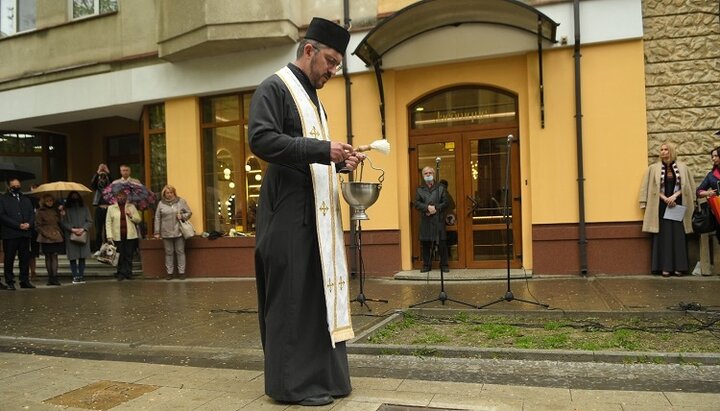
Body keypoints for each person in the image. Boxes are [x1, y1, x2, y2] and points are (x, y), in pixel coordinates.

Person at [248, 17, 363, 406]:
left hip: (317, 218)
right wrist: (321, 150)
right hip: (288, 216)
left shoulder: (314, 99)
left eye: (337, 65)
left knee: (316, 297)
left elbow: (313, 155)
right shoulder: (274, 87)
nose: (333, 71)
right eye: (330, 61)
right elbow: (261, 139)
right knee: (292, 300)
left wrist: (341, 161)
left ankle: (325, 379)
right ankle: (291, 386)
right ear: (309, 50)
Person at [639, 142, 694, 277]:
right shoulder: (653, 168)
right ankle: (664, 267)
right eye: (661, 150)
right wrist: (664, 198)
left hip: (677, 205)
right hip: (661, 207)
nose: (663, 152)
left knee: (678, 235)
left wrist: (674, 196)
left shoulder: (683, 167)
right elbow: (649, 187)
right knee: (663, 236)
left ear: (672, 151)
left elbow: (688, 187)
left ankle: (679, 267)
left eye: (666, 149)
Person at [0, 178, 36, 290]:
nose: (16, 187)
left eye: (18, 185)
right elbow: (2, 216)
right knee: (9, 258)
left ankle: (24, 280)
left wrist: (29, 224)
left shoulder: (26, 199)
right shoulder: (3, 199)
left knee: (24, 258)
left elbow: (32, 213)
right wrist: (17, 225)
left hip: (25, 233)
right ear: (9, 187)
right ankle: (9, 281)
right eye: (14, 186)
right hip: (10, 234)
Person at [414, 167, 449, 273]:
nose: (428, 174)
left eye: (430, 172)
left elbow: (446, 202)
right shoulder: (419, 189)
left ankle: (444, 265)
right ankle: (426, 265)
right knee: (426, 244)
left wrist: (436, 208)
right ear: (423, 175)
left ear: (433, 174)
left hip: (438, 219)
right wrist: (427, 208)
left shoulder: (441, 188)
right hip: (426, 220)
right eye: (426, 173)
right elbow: (416, 203)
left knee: (442, 243)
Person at [153, 185, 192, 280]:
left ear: (174, 193)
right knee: (169, 252)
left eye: (171, 192)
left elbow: (189, 212)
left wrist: (182, 216)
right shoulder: (161, 204)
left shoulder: (181, 201)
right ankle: (169, 273)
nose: (169, 195)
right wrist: (157, 232)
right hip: (166, 232)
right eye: (167, 193)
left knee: (180, 251)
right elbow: (157, 218)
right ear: (164, 194)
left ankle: (181, 272)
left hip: (178, 231)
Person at [105, 190, 141, 281]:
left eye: (123, 196)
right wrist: (109, 236)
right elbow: (108, 222)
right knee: (120, 256)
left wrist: (131, 215)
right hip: (117, 236)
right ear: (116, 197)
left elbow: (138, 220)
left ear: (126, 197)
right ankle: (120, 273)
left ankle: (129, 273)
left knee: (129, 255)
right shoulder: (111, 208)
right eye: (119, 196)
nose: (121, 198)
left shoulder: (131, 207)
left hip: (130, 236)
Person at [62, 191, 93, 284]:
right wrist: (72, 229)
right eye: (73, 196)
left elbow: (89, 221)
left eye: (76, 196)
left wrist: (83, 228)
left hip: (83, 234)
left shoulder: (85, 207)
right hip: (71, 235)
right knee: (73, 256)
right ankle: (75, 275)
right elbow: (63, 222)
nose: (75, 198)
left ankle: (81, 275)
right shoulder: (65, 209)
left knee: (82, 256)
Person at [35, 194, 64, 286]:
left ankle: (55, 277)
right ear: (44, 201)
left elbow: (60, 222)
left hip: (56, 234)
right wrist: (45, 233)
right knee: (48, 256)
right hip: (45, 236)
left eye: (51, 200)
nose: (49, 202)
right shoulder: (40, 211)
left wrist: (62, 214)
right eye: (47, 201)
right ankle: (50, 277)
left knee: (54, 256)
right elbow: (37, 225)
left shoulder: (56, 210)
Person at [90, 163, 112, 253]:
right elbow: (93, 186)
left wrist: (108, 173)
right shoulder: (97, 178)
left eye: (104, 168)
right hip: (99, 207)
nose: (102, 170)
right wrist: (97, 174)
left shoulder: (109, 178)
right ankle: (98, 248)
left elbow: (113, 186)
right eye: (101, 168)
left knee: (108, 230)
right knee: (98, 229)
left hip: (109, 207)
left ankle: (109, 249)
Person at [28, 184, 41, 281]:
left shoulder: (42, 202)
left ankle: (33, 271)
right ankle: (30, 272)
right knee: (28, 253)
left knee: (34, 253)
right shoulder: (28, 200)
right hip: (28, 230)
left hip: (37, 230)